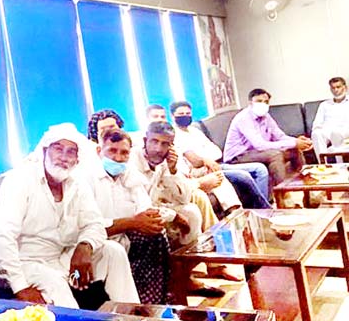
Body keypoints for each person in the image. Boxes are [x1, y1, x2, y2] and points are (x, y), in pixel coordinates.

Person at [0, 123, 140, 308]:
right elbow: (2, 239)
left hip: (61, 258)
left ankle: (131, 318)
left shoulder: (77, 183)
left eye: (71, 152)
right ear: (44, 151)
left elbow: (94, 224)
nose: (63, 157)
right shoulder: (20, 180)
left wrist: (85, 246)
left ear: (77, 159)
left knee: (113, 251)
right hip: (25, 263)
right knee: (55, 284)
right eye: (58, 149)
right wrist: (20, 287)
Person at [130, 122, 239, 292]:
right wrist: (174, 216)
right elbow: (143, 204)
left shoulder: (167, 160)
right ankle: (191, 273)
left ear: (171, 146)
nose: (158, 149)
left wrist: (173, 170)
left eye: (165, 144)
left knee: (192, 209)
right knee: (193, 206)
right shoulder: (132, 161)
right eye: (154, 142)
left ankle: (196, 271)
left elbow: (183, 197)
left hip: (163, 204)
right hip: (140, 212)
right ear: (145, 141)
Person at [82, 127, 171, 304]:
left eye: (124, 153)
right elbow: (86, 226)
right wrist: (132, 223)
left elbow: (145, 208)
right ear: (99, 151)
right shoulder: (86, 179)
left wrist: (151, 219)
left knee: (157, 234)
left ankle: (155, 302)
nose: (118, 158)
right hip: (97, 242)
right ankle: (134, 306)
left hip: (127, 237)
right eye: (112, 151)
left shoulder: (129, 174)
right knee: (117, 249)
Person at [170, 101, 271, 210]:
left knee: (260, 169)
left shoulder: (195, 131)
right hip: (203, 171)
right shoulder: (175, 135)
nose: (185, 116)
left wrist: (206, 159)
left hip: (216, 164)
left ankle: (263, 205)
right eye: (181, 114)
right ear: (172, 116)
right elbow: (195, 162)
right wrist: (205, 159)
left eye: (188, 113)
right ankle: (263, 209)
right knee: (243, 176)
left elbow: (217, 151)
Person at [224, 88, 313, 193]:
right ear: (250, 103)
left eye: (266, 102)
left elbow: (280, 136)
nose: (263, 104)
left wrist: (298, 142)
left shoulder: (266, 116)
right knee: (275, 155)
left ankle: (304, 187)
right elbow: (260, 145)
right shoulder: (243, 118)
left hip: (256, 152)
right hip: (238, 156)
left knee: (294, 150)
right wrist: (294, 143)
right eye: (259, 101)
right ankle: (284, 193)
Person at [312, 77, 349, 157]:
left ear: (345, 87)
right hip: (327, 131)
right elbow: (317, 123)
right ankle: (323, 162)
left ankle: (340, 163)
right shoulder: (324, 105)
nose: (336, 90)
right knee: (316, 134)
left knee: (336, 133)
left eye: (338, 87)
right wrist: (317, 130)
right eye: (333, 88)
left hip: (344, 131)